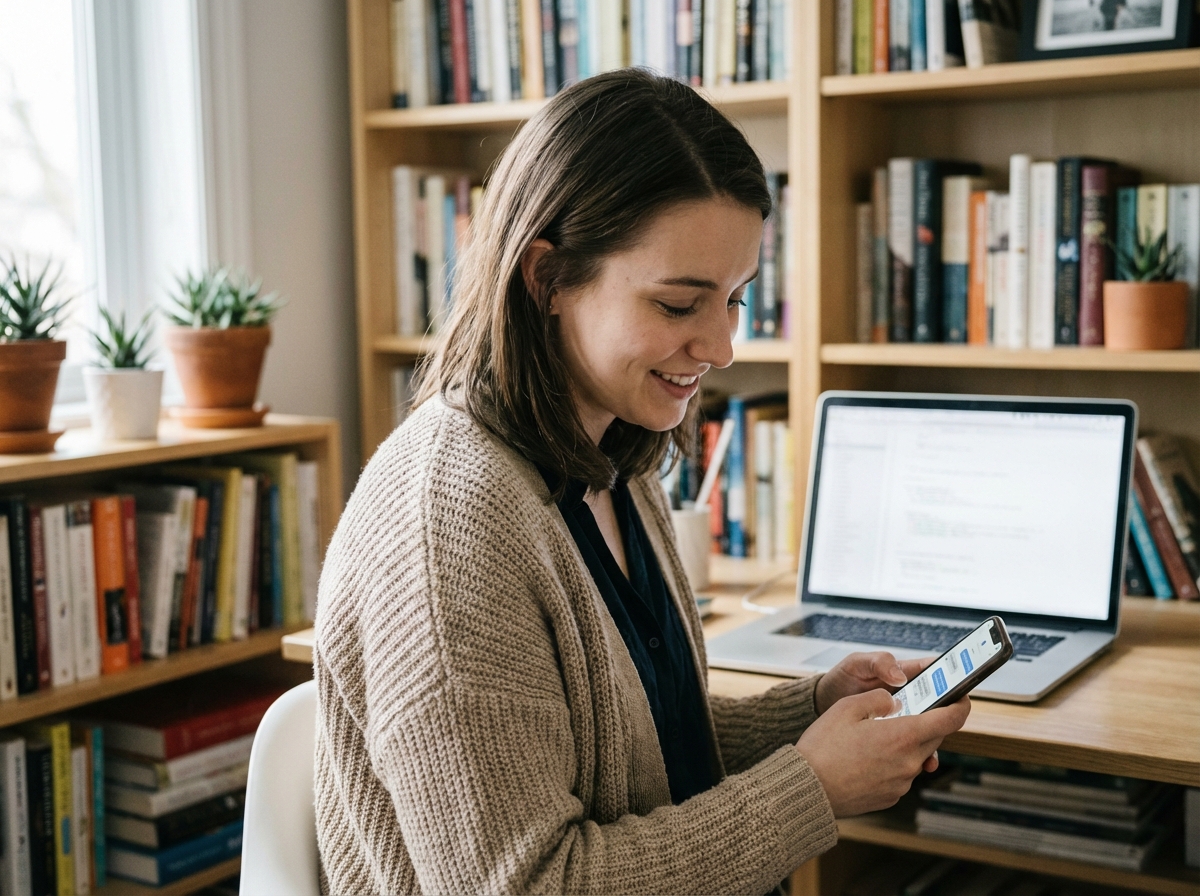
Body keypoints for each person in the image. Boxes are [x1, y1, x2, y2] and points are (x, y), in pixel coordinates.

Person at [314, 68, 970, 895]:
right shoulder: (449, 527)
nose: (722, 347)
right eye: (677, 304)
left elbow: (636, 749)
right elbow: (527, 885)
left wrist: (809, 713)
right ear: (546, 278)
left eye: (734, 298)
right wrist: (811, 788)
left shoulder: (615, 454)